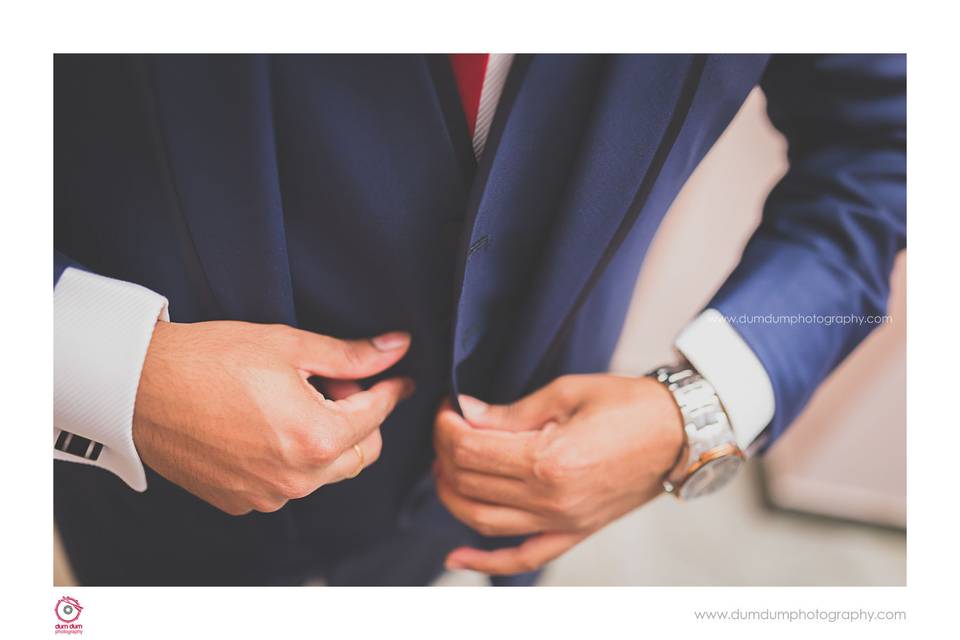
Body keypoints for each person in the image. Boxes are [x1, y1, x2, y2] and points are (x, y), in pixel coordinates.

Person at [54, 54, 906, 585]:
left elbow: (889, 148)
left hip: (503, 499)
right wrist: (108, 366)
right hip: (158, 497)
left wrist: (699, 410)